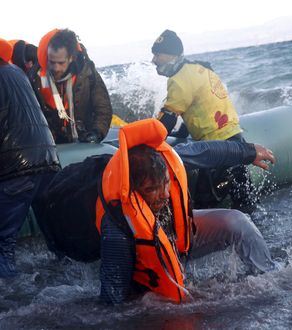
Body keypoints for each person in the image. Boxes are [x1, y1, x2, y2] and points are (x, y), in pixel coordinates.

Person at [96, 119, 276, 304]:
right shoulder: (117, 229)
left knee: (237, 222)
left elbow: (206, 151)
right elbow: (112, 298)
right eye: (152, 189)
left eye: (165, 183)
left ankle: (268, 276)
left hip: (175, 236)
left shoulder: (168, 160)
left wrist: (249, 151)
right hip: (143, 260)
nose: (165, 195)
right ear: (133, 191)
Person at [151, 29, 258, 213]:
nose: (154, 60)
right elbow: (199, 107)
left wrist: (149, 141)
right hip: (236, 141)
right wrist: (183, 133)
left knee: (202, 205)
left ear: (171, 56)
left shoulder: (179, 79)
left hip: (216, 148)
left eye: (157, 54)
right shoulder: (200, 68)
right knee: (246, 201)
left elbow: (167, 119)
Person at [0, 38, 60, 278]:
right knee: (55, 238)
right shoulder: (16, 72)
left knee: (2, 244)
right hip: (48, 160)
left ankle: (11, 302)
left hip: (16, 169)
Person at [29, 28, 113, 144]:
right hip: (52, 144)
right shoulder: (35, 78)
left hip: (85, 140)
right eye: (52, 62)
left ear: (71, 58)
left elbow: (103, 107)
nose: (56, 68)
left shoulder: (87, 73)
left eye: (61, 63)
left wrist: (97, 133)